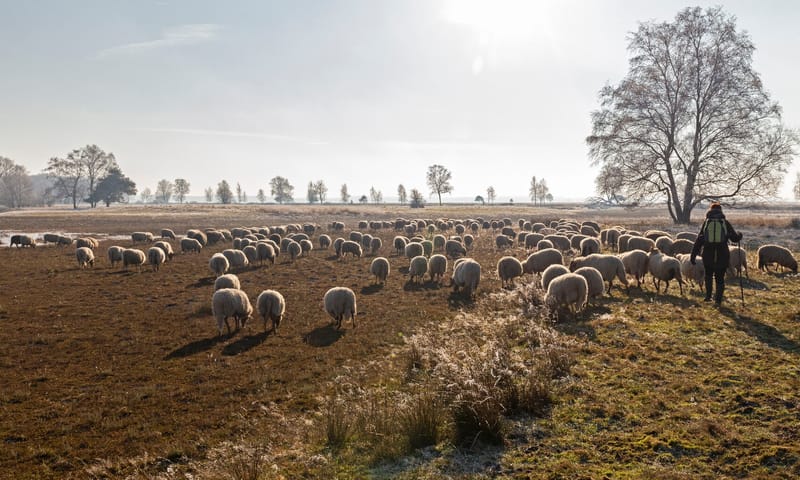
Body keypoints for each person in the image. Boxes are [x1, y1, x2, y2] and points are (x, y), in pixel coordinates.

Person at [690, 202, 742, 306]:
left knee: (708, 275)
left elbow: (699, 239)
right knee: (720, 278)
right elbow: (734, 239)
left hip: (708, 254)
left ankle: (708, 296)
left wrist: (693, 255)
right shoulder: (724, 222)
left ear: (710, 210)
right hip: (722, 254)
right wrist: (740, 235)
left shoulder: (707, 223)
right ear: (721, 211)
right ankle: (718, 300)